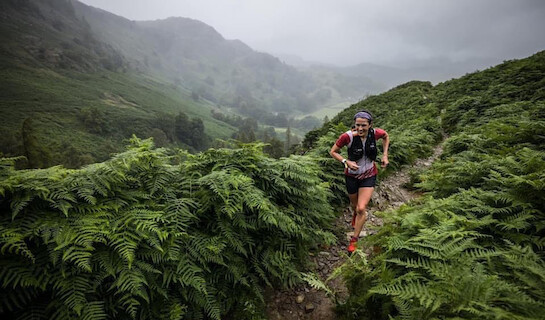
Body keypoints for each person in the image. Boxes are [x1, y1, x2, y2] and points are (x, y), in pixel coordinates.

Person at [329, 110, 389, 253]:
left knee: (362, 208)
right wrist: (346, 161)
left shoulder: (375, 134)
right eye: (357, 125)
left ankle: (354, 240)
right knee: (354, 205)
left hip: (369, 175)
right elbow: (333, 152)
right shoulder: (347, 137)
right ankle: (355, 214)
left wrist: (385, 155)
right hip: (352, 176)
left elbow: (386, 136)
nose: (360, 129)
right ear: (354, 125)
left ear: (370, 125)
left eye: (364, 125)